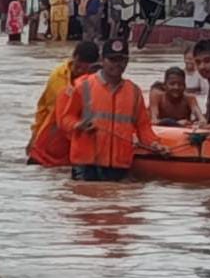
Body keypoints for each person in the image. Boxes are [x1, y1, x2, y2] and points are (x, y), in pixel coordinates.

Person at [60, 39, 166, 181]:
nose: (117, 64)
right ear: (102, 60)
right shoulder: (83, 86)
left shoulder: (134, 92)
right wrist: (79, 125)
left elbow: (143, 127)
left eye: (122, 60)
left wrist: (155, 144)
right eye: (112, 59)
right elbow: (65, 119)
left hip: (119, 166)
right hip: (87, 166)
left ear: (127, 62)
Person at [28, 42, 99, 167]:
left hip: (79, 144)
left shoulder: (97, 81)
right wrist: (33, 137)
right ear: (74, 57)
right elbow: (43, 108)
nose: (80, 70)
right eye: (78, 66)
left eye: (85, 68)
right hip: (51, 142)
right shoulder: (57, 76)